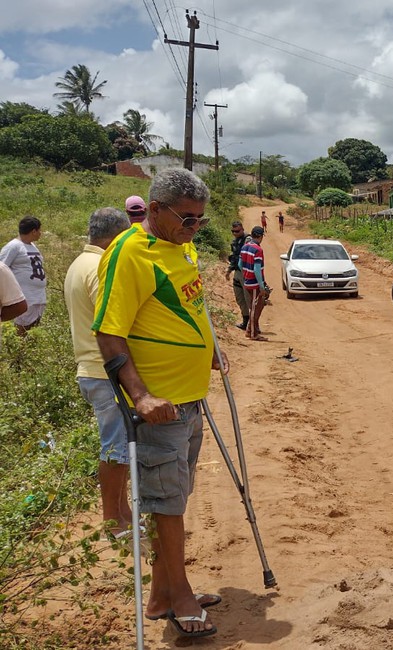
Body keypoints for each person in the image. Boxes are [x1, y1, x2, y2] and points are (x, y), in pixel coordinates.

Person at [93, 168, 226, 638]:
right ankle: (182, 595)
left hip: (190, 402)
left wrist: (208, 346)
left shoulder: (179, 246)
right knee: (166, 504)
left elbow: (188, 310)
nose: (194, 228)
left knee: (174, 496)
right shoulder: (129, 253)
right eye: (187, 219)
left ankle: (160, 596)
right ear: (154, 210)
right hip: (161, 406)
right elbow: (108, 331)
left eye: (200, 221)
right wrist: (142, 395)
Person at [63, 207, 136, 540]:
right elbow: (111, 325)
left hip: (92, 368)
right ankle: (113, 521)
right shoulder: (100, 268)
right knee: (116, 448)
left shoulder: (80, 263)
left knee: (118, 446)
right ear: (117, 237)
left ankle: (123, 514)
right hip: (104, 369)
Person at [0, 216, 47, 335]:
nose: (40, 233)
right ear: (33, 231)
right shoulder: (13, 246)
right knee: (20, 332)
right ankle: (16, 354)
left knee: (33, 333)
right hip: (24, 297)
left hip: (37, 297)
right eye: (39, 230)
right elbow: (2, 269)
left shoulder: (33, 246)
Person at [239, 226, 270, 341]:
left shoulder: (245, 247)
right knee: (255, 307)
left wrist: (246, 275)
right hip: (254, 283)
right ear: (261, 236)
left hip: (248, 281)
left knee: (256, 306)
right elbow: (257, 269)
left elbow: (239, 265)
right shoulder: (258, 250)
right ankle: (252, 333)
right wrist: (262, 286)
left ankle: (252, 330)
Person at [225, 221, 250, 330]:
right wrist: (229, 270)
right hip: (237, 272)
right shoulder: (235, 242)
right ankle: (246, 321)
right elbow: (234, 258)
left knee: (248, 299)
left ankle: (253, 324)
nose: (235, 233)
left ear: (243, 229)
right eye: (233, 231)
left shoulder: (248, 240)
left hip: (247, 273)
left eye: (237, 231)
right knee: (240, 299)